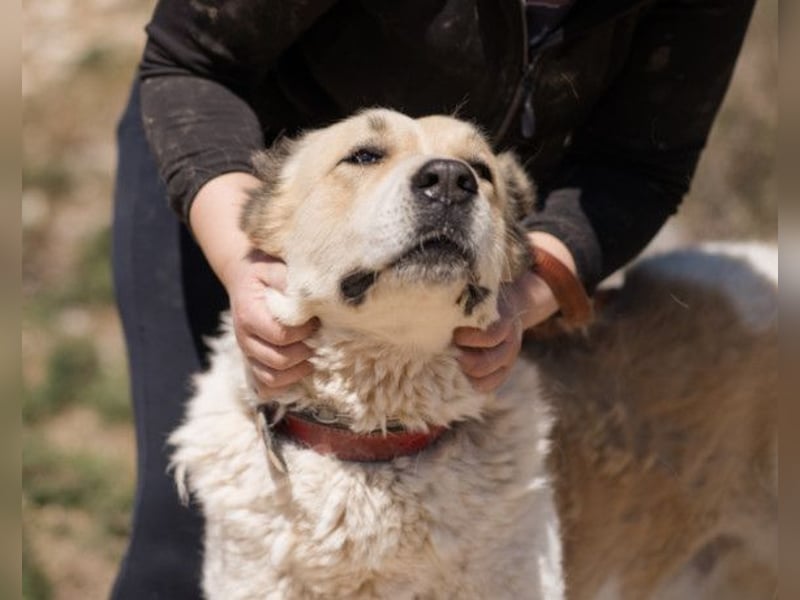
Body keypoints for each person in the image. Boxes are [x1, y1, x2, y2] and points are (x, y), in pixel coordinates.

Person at [110, 0, 756, 596]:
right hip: (222, 158)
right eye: (371, 155)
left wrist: (532, 287)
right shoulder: (265, 209)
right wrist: (243, 258)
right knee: (175, 541)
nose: (449, 181)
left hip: (512, 222)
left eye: (470, 173)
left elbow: (644, 160)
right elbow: (189, 60)